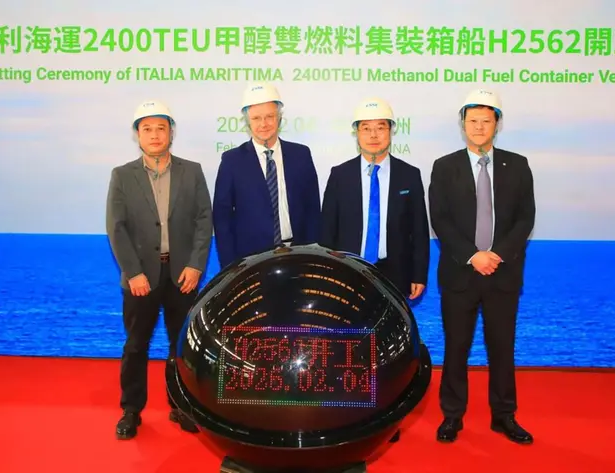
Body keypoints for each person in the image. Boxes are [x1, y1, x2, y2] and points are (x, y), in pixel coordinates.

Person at [428, 89, 536, 445]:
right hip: (460, 273)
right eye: (472, 120)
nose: (478, 127)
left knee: (502, 348)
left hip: (503, 274)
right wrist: (473, 255)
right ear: (463, 124)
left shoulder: (517, 165)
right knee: (456, 348)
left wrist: (497, 254)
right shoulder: (445, 167)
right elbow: (440, 219)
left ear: (497, 124)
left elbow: (525, 218)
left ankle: (504, 416)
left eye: (485, 121)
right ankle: (452, 416)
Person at [105, 100, 213, 440]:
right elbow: (116, 228)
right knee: (136, 345)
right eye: (147, 128)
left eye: (161, 128)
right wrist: (133, 272)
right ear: (137, 135)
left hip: (182, 275)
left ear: (171, 133)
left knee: (181, 346)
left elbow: (204, 220)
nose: (155, 135)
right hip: (141, 277)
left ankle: (181, 406)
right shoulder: (122, 175)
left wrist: (196, 265)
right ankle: (131, 410)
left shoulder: (192, 171)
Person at [320, 97, 429, 301]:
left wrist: (419, 274)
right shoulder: (340, 175)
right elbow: (327, 231)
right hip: (348, 270)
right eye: (366, 128)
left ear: (391, 131)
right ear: (356, 133)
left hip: (396, 273)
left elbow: (419, 231)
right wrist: (328, 272)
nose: (373, 135)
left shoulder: (409, 175)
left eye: (380, 127)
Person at [212, 82, 321, 268]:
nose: (263, 124)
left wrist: (312, 253)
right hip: (250, 261)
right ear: (248, 122)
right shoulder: (232, 161)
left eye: (270, 116)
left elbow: (312, 208)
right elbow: (222, 218)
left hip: (298, 255)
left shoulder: (301, 155)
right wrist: (231, 266)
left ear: (279, 118)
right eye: (256, 118)